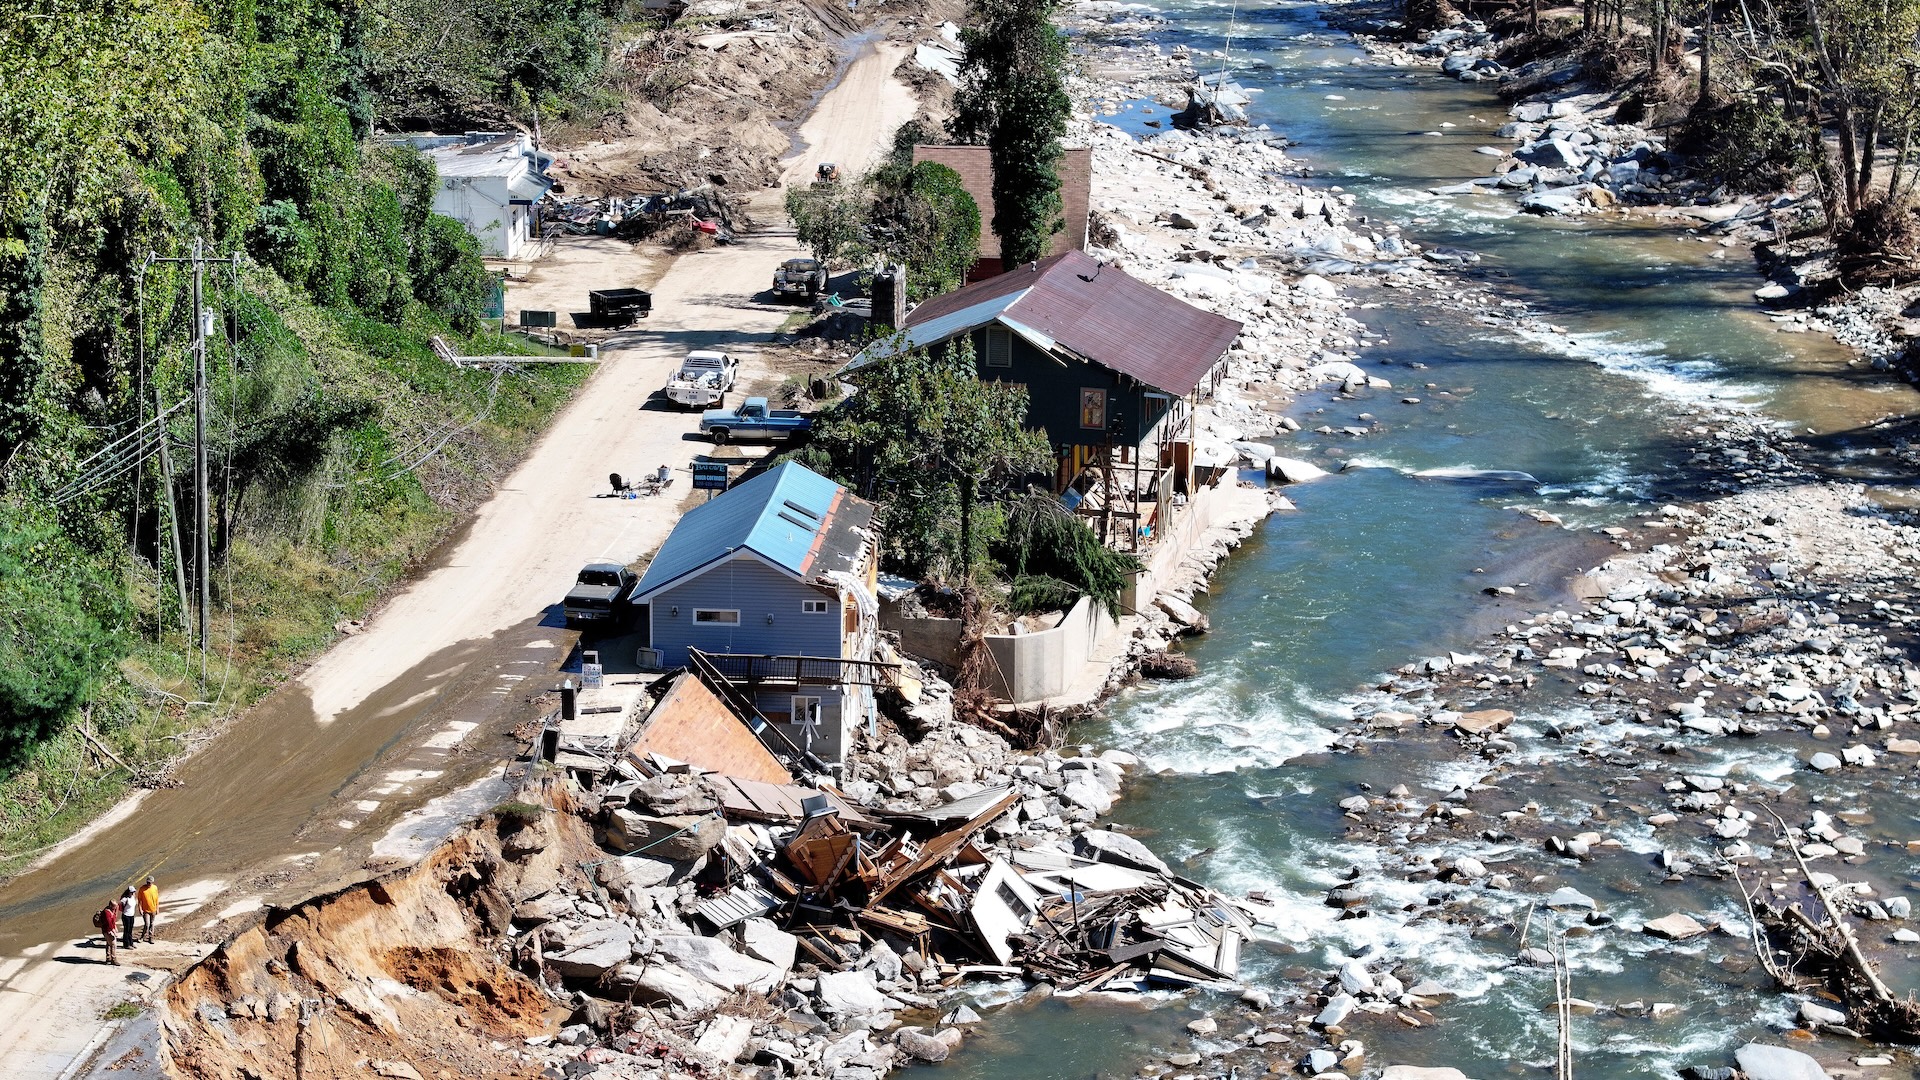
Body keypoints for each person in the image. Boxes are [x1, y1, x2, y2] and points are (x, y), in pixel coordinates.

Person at [136, 876, 160, 943]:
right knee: (147, 924)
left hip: (153, 909)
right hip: (145, 910)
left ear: (152, 882)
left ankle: (151, 937)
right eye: (148, 882)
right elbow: (139, 900)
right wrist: (140, 909)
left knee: (152, 924)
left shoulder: (155, 888)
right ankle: (142, 936)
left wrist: (157, 908)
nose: (149, 884)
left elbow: (157, 899)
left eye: (150, 883)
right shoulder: (142, 889)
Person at [96, 901, 119, 965]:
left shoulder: (112, 910)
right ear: (111, 905)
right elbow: (109, 923)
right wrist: (113, 931)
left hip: (109, 929)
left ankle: (108, 958)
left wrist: (115, 927)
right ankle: (113, 959)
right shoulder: (106, 912)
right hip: (107, 930)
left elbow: (113, 921)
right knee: (113, 944)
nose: (116, 908)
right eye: (115, 906)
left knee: (109, 943)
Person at [118, 886, 137, 951]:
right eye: (132, 892)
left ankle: (131, 943)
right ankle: (126, 944)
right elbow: (119, 905)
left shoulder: (133, 897)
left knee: (130, 930)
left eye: (133, 892)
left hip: (131, 915)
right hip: (126, 916)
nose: (133, 893)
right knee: (126, 930)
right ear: (129, 892)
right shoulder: (125, 899)